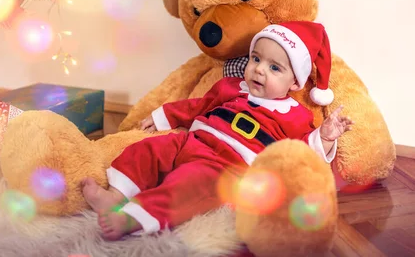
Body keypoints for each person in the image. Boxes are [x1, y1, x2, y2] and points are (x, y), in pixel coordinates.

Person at [81, 21, 353, 240]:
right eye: (256, 58)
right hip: (191, 141)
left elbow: (300, 152)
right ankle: (115, 195)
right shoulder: (232, 87)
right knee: (149, 149)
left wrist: (325, 137)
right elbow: (198, 105)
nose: (258, 70)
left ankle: (133, 218)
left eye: (274, 68)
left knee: (187, 183)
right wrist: (164, 116)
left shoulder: (294, 114)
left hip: (225, 167)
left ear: (295, 82)